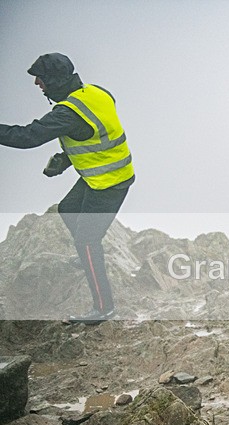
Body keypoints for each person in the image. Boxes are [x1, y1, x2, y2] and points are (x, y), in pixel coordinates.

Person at [0, 53, 135, 325]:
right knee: (68, 209)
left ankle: (104, 308)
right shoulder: (97, 92)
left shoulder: (67, 113)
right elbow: (95, 133)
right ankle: (88, 256)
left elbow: (26, 137)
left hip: (107, 184)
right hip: (106, 175)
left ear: (54, 80)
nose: (37, 83)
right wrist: (65, 160)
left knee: (86, 240)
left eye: (40, 78)